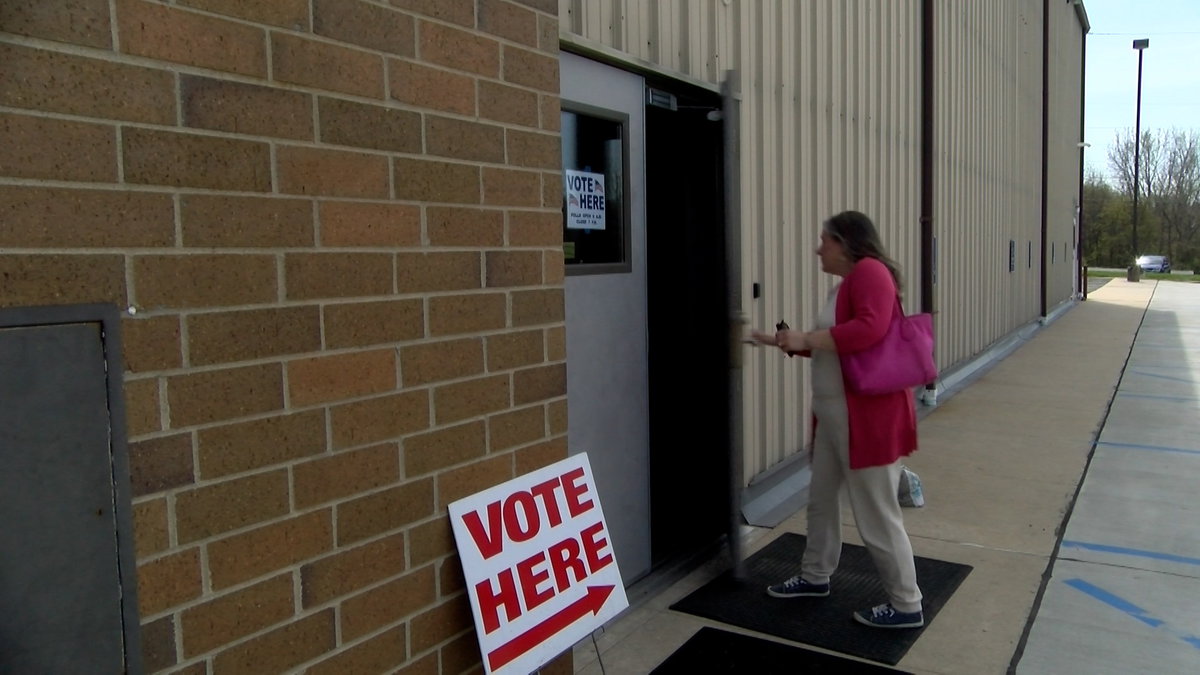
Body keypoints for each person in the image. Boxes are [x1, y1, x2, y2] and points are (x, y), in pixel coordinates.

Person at [749, 210, 924, 629]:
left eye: (823, 239)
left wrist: (805, 338)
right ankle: (815, 576)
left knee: (876, 513)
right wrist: (782, 341)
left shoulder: (871, 273)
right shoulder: (845, 285)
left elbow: (870, 331)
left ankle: (906, 604)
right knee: (821, 501)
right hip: (834, 418)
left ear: (845, 243)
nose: (817, 248)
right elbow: (837, 344)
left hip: (865, 421)